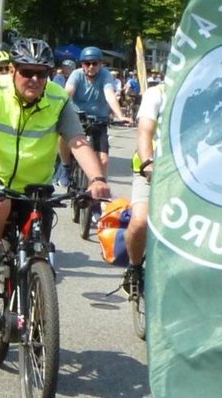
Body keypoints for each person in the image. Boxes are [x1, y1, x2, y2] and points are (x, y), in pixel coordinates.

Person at [0, 38, 111, 298]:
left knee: (37, 246)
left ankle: (35, 299)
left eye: (41, 73)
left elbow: (77, 141)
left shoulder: (58, 98)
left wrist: (97, 178)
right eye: (26, 72)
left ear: (49, 74)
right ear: (12, 70)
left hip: (36, 182)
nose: (34, 79)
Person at [61, 46, 129, 186]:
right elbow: (67, 93)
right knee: (62, 137)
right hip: (76, 117)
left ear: (100, 64)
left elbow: (109, 95)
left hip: (99, 120)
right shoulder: (76, 74)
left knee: (103, 160)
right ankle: (65, 167)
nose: (91, 67)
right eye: (87, 63)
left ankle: (97, 195)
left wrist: (120, 115)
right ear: (82, 65)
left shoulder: (105, 75)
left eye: (95, 63)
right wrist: (58, 109)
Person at [123, 79, 164, 297]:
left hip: (191, 175)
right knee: (140, 221)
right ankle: (134, 266)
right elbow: (145, 133)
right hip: (153, 170)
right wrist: (148, 163)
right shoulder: (156, 94)